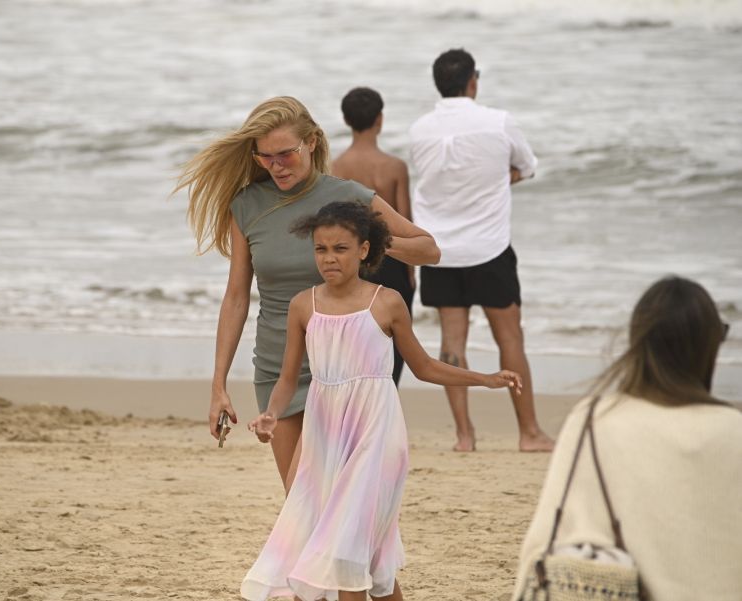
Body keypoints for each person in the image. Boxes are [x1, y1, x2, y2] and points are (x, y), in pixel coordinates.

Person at [242, 201, 522, 601]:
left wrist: (485, 379)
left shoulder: (386, 302)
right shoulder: (304, 305)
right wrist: (271, 413)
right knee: (365, 558)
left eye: (340, 248)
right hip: (324, 436)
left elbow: (424, 366)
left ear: (364, 250)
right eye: (321, 249)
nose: (329, 258)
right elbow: (288, 378)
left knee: (345, 552)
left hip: (376, 434)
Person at [175, 96, 440, 494]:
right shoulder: (247, 206)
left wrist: (373, 239)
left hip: (341, 370)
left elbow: (428, 250)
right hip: (277, 368)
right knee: (302, 500)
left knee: (342, 500)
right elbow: (235, 298)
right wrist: (218, 386)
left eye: (285, 154)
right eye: (265, 157)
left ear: (312, 143)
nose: (276, 166)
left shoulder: (350, 196)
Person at [512, 276, 742, 600]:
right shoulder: (734, 430)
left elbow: (543, 541)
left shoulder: (596, 420)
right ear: (710, 347)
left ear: (638, 342)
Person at [409, 48, 553, 452]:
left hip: (439, 250)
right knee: (510, 338)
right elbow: (526, 167)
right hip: (489, 247)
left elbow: (433, 177)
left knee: (453, 343)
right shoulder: (498, 121)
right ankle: (529, 433)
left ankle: (464, 436)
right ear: (473, 80)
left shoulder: (420, 129)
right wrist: (493, 181)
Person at [332, 87, 415, 386]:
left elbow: (335, 223)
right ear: (380, 119)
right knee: (394, 342)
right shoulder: (394, 167)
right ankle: (386, 397)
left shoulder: (336, 167)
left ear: (345, 119)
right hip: (391, 260)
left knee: (355, 343)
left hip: (353, 262)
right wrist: (411, 273)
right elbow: (405, 223)